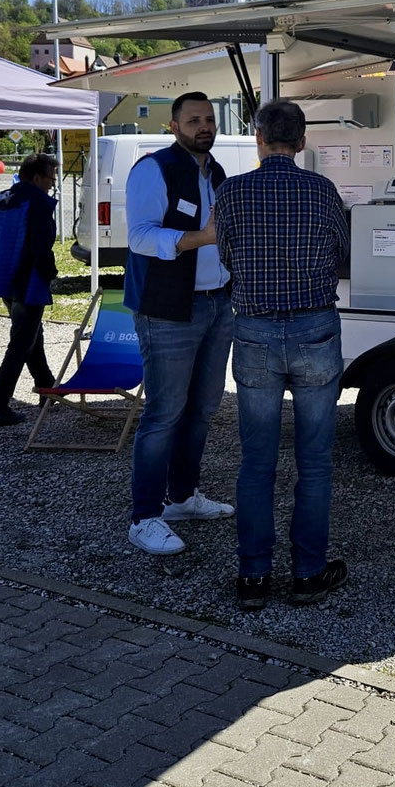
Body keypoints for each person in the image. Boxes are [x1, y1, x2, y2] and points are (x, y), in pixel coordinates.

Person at [212, 97, 350, 611]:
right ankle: (309, 574)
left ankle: (253, 577)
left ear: (259, 139)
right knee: (314, 461)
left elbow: (226, 253)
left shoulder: (231, 191)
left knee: (256, 462)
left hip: (254, 332)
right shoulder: (322, 190)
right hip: (315, 326)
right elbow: (342, 255)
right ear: (303, 141)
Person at [124, 91, 235, 555]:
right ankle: (144, 517)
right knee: (163, 414)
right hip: (168, 309)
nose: (204, 126)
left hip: (216, 304)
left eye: (209, 119)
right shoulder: (153, 168)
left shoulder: (218, 172)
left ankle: (183, 498)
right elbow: (139, 236)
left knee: (203, 409)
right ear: (173, 126)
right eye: (193, 120)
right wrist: (200, 238)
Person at [0, 152, 60, 429]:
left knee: (31, 333)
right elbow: (41, 247)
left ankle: (47, 387)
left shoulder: (1, 199)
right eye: (50, 178)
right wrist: (51, 275)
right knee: (22, 341)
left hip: (2, 278)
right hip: (29, 280)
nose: (52, 184)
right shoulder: (38, 203)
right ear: (37, 178)